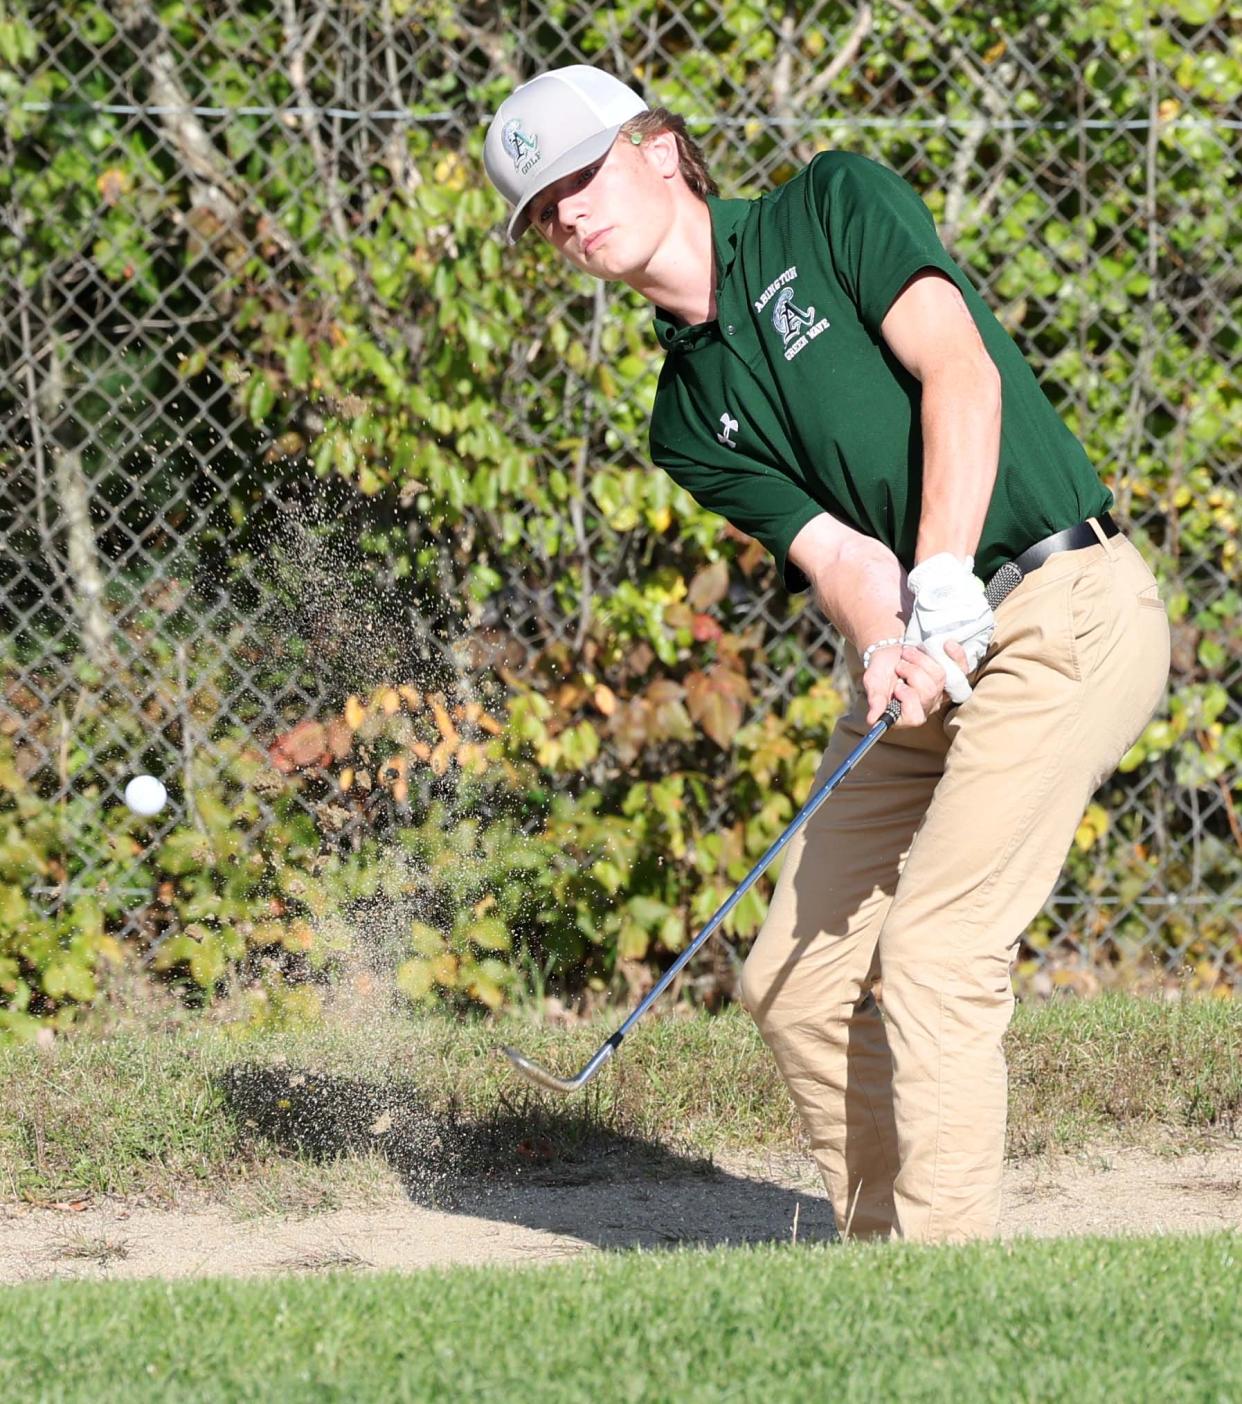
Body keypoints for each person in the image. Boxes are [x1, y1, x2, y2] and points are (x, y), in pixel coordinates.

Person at [483, 65, 1170, 1242]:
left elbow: (963, 373)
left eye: (580, 178)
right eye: (543, 210)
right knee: (794, 985)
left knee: (939, 949)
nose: (570, 218)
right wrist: (884, 644)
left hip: (1066, 604)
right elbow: (846, 559)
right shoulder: (684, 417)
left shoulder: (830, 205)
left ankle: (947, 1296)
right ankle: (879, 1262)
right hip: (933, 650)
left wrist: (946, 572)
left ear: (659, 148)